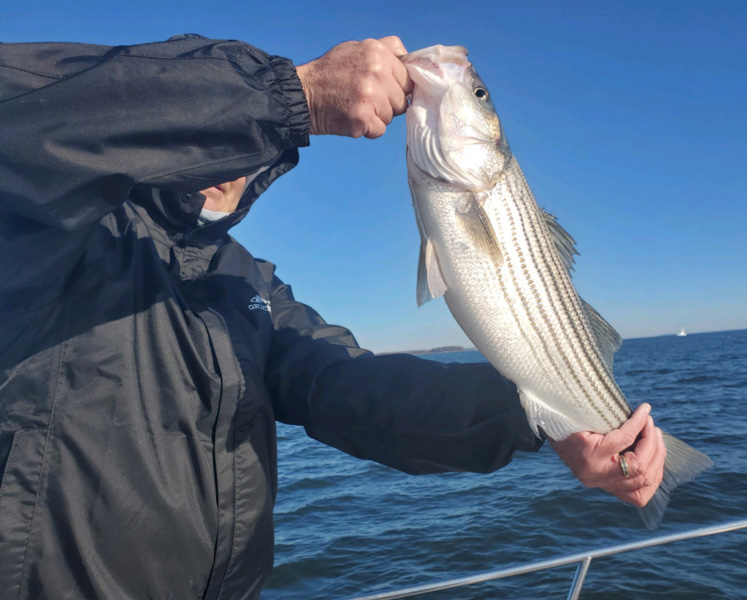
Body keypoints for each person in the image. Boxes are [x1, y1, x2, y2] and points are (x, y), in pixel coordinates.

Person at [0, 35, 666, 599]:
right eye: (205, 123)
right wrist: (292, 96)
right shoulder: (50, 234)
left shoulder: (249, 287)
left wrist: (538, 416)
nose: (223, 154)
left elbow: (356, 391)